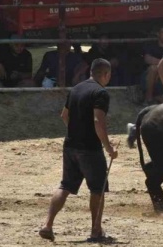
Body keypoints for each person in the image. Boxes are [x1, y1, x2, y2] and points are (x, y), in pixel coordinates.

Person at [39, 58, 118, 243]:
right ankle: (96, 231)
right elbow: (98, 122)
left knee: (65, 186)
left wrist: (76, 131)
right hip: (90, 149)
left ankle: (47, 225)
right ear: (106, 74)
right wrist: (109, 148)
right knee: (97, 189)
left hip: (70, 145)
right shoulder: (101, 93)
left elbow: (64, 115)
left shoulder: (76, 89)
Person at [141, 25, 163, 104]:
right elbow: (147, 59)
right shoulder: (151, 45)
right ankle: (149, 98)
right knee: (154, 68)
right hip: (149, 77)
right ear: (158, 34)